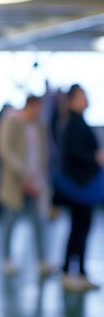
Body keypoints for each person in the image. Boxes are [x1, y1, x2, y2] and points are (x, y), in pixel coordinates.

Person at [0, 95, 53, 276]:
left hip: (36, 182)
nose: (38, 112)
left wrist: (39, 177)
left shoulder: (39, 127)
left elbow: (43, 153)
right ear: (29, 106)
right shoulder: (12, 122)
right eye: (36, 108)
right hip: (16, 182)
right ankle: (6, 259)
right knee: (10, 220)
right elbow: (5, 150)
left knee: (39, 221)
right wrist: (22, 173)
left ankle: (42, 260)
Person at [58, 84, 103, 291]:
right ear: (72, 100)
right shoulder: (74, 124)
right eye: (82, 96)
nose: (86, 100)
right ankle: (69, 271)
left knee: (81, 228)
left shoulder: (78, 122)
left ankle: (80, 271)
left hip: (83, 185)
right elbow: (74, 153)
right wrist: (95, 158)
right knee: (79, 228)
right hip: (79, 186)